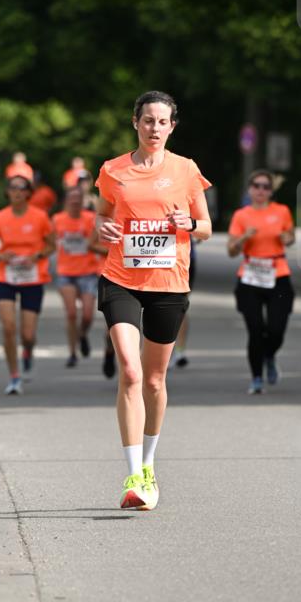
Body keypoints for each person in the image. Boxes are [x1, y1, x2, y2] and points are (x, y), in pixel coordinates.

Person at [96, 90, 212, 511]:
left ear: (172, 126)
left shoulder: (186, 170)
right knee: (129, 370)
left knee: (154, 380)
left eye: (163, 122)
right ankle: (132, 477)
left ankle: (148, 465)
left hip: (168, 283)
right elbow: (100, 218)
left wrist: (190, 222)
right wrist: (103, 229)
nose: (155, 128)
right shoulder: (113, 170)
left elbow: (207, 228)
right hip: (120, 278)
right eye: (148, 120)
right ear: (135, 122)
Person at [0, 175, 55, 395]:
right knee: (8, 327)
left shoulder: (40, 217)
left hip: (33, 278)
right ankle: (14, 376)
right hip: (6, 278)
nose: (17, 192)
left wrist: (38, 255)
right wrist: (0, 255)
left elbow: (52, 246)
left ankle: (28, 352)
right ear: (8, 192)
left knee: (28, 335)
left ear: (28, 193)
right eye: (13, 188)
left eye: (21, 189)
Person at [227, 170, 295, 395]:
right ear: (250, 189)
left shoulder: (281, 211)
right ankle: (257, 377)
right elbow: (231, 250)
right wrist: (245, 236)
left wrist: (287, 237)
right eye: (257, 185)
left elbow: (290, 236)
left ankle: (269, 355)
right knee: (255, 330)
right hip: (250, 277)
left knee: (276, 329)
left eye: (266, 187)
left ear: (271, 191)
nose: (261, 190)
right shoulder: (241, 215)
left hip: (278, 275)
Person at [53, 186, 101, 367]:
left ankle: (82, 335)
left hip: (88, 272)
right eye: (71, 198)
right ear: (66, 201)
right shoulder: (57, 220)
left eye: (77, 198)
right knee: (72, 313)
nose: (74, 202)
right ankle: (72, 352)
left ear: (82, 201)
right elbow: (48, 240)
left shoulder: (91, 219)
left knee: (88, 315)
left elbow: (97, 241)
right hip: (66, 273)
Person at [168, 236, 196, 369]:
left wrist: (193, 227)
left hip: (183, 257)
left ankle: (179, 351)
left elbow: (202, 230)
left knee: (180, 305)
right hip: (149, 258)